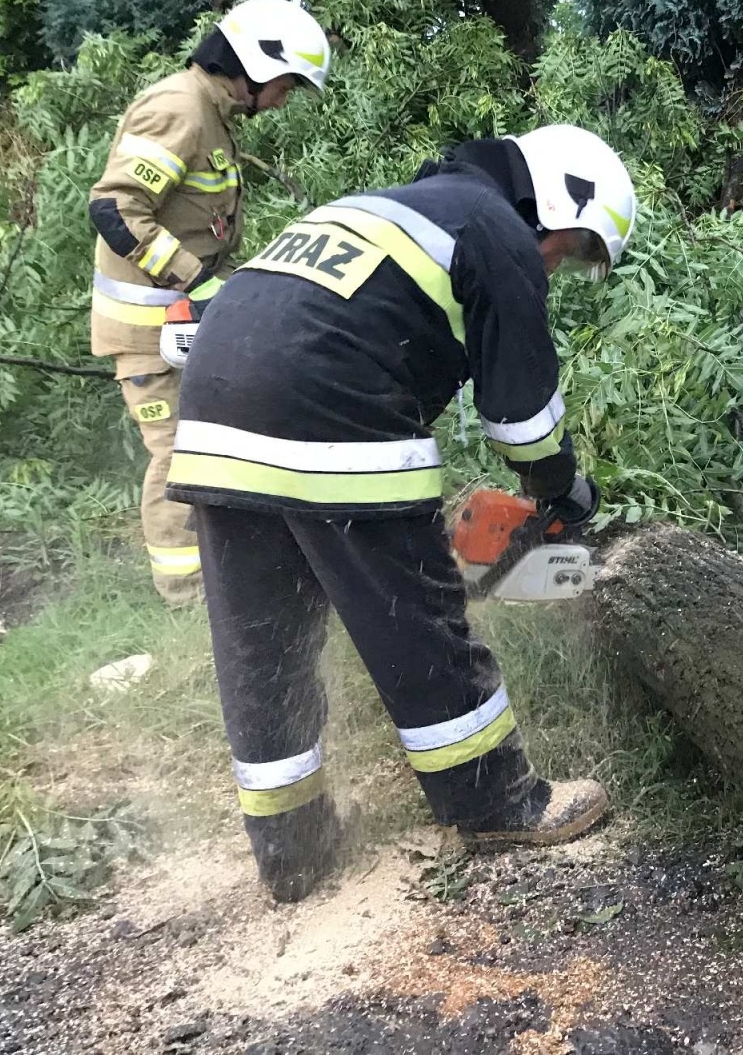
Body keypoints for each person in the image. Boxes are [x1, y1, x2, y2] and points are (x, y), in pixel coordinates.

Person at [161, 124, 637, 902]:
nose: (561, 265)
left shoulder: (389, 208)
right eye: (575, 248)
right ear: (554, 202)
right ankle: (496, 802)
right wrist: (563, 491)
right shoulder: (496, 231)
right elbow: (522, 418)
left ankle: (292, 848)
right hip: (325, 408)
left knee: (263, 644)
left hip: (212, 411)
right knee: (412, 613)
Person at [87, 0, 330, 606]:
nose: (283, 101)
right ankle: (184, 597)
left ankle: (228, 573)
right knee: (175, 456)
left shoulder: (212, 117)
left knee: (214, 447)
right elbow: (114, 208)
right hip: (149, 331)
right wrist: (196, 281)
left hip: (183, 322)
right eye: (286, 85)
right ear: (254, 66)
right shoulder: (179, 109)